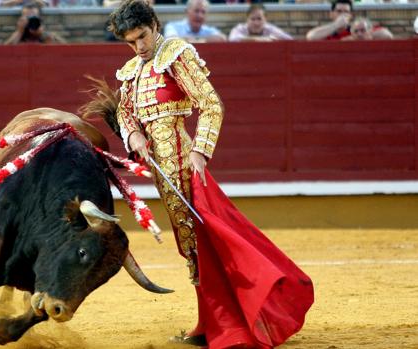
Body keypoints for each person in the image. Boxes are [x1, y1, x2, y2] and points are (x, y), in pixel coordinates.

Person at [83, 0, 314, 348]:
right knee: (189, 244)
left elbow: (210, 104)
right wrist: (134, 135)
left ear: (155, 26)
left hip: (185, 164)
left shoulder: (176, 54)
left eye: (142, 37)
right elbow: (127, 113)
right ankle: (210, 319)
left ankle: (226, 320)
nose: (139, 47)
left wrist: (199, 152)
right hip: (162, 171)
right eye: (131, 42)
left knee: (205, 240)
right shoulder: (132, 70)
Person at [306, 0, 393, 41]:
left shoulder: (358, 29)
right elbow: (311, 37)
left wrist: (355, 37)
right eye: (339, 11)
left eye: (346, 12)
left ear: (351, 15)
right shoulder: (328, 31)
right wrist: (336, 25)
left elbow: (387, 35)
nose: (342, 14)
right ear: (331, 14)